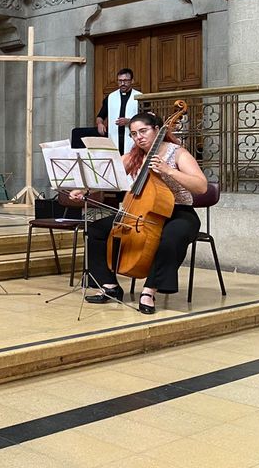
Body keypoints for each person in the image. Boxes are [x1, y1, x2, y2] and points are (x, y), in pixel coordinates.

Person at [70, 112, 208, 314]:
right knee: (95, 231)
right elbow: (107, 177)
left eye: (143, 131)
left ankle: (150, 290)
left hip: (179, 211)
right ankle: (109, 286)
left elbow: (201, 186)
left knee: (171, 237)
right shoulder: (134, 156)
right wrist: (83, 189)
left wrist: (169, 170)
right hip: (141, 212)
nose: (139, 137)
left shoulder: (178, 153)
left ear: (157, 129)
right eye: (134, 134)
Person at [96, 68, 142, 154]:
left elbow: (146, 119)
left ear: (132, 81)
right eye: (120, 81)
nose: (122, 84)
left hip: (132, 138)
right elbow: (100, 116)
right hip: (114, 137)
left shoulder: (140, 97)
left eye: (125, 81)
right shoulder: (111, 97)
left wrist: (129, 121)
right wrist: (99, 124)